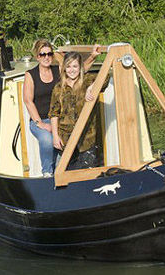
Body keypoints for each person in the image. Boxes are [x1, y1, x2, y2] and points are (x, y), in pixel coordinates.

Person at [23, 39, 99, 177]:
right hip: (39, 120)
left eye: (49, 54)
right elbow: (28, 101)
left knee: (64, 137)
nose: (46, 57)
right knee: (47, 138)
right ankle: (47, 172)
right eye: (42, 54)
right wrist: (40, 123)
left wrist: (93, 57)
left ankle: (62, 170)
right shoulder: (31, 75)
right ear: (37, 56)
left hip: (59, 118)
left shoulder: (58, 70)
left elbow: (78, 70)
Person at [49, 51, 108, 170]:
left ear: (80, 67)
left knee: (87, 172)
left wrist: (92, 87)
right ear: (64, 68)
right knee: (69, 173)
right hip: (66, 138)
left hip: (87, 138)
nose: (72, 70)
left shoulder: (88, 80)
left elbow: (106, 76)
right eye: (69, 66)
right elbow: (54, 113)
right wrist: (55, 136)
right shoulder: (58, 87)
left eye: (75, 66)